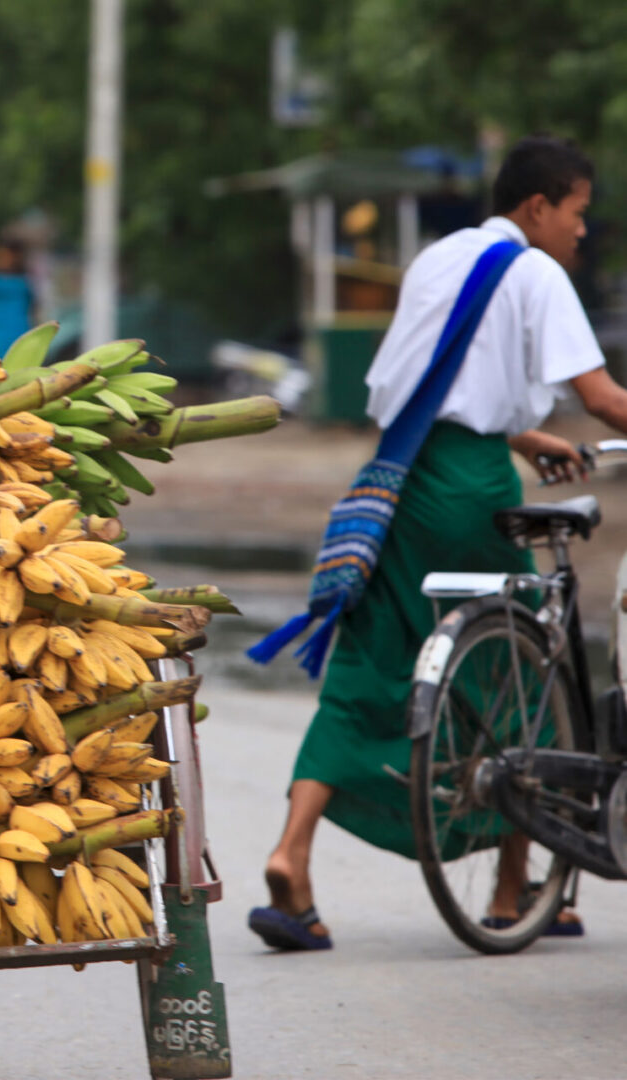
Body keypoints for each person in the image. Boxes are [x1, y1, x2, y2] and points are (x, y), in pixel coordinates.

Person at [249, 135, 627, 951]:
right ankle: (507, 889)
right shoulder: (533, 272)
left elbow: (434, 385)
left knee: (366, 669)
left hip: (400, 477)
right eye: (577, 212)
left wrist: (523, 436)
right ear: (537, 207)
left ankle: (292, 855)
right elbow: (600, 398)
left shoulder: (439, 259)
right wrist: (517, 440)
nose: (581, 231)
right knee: (517, 669)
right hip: (468, 489)